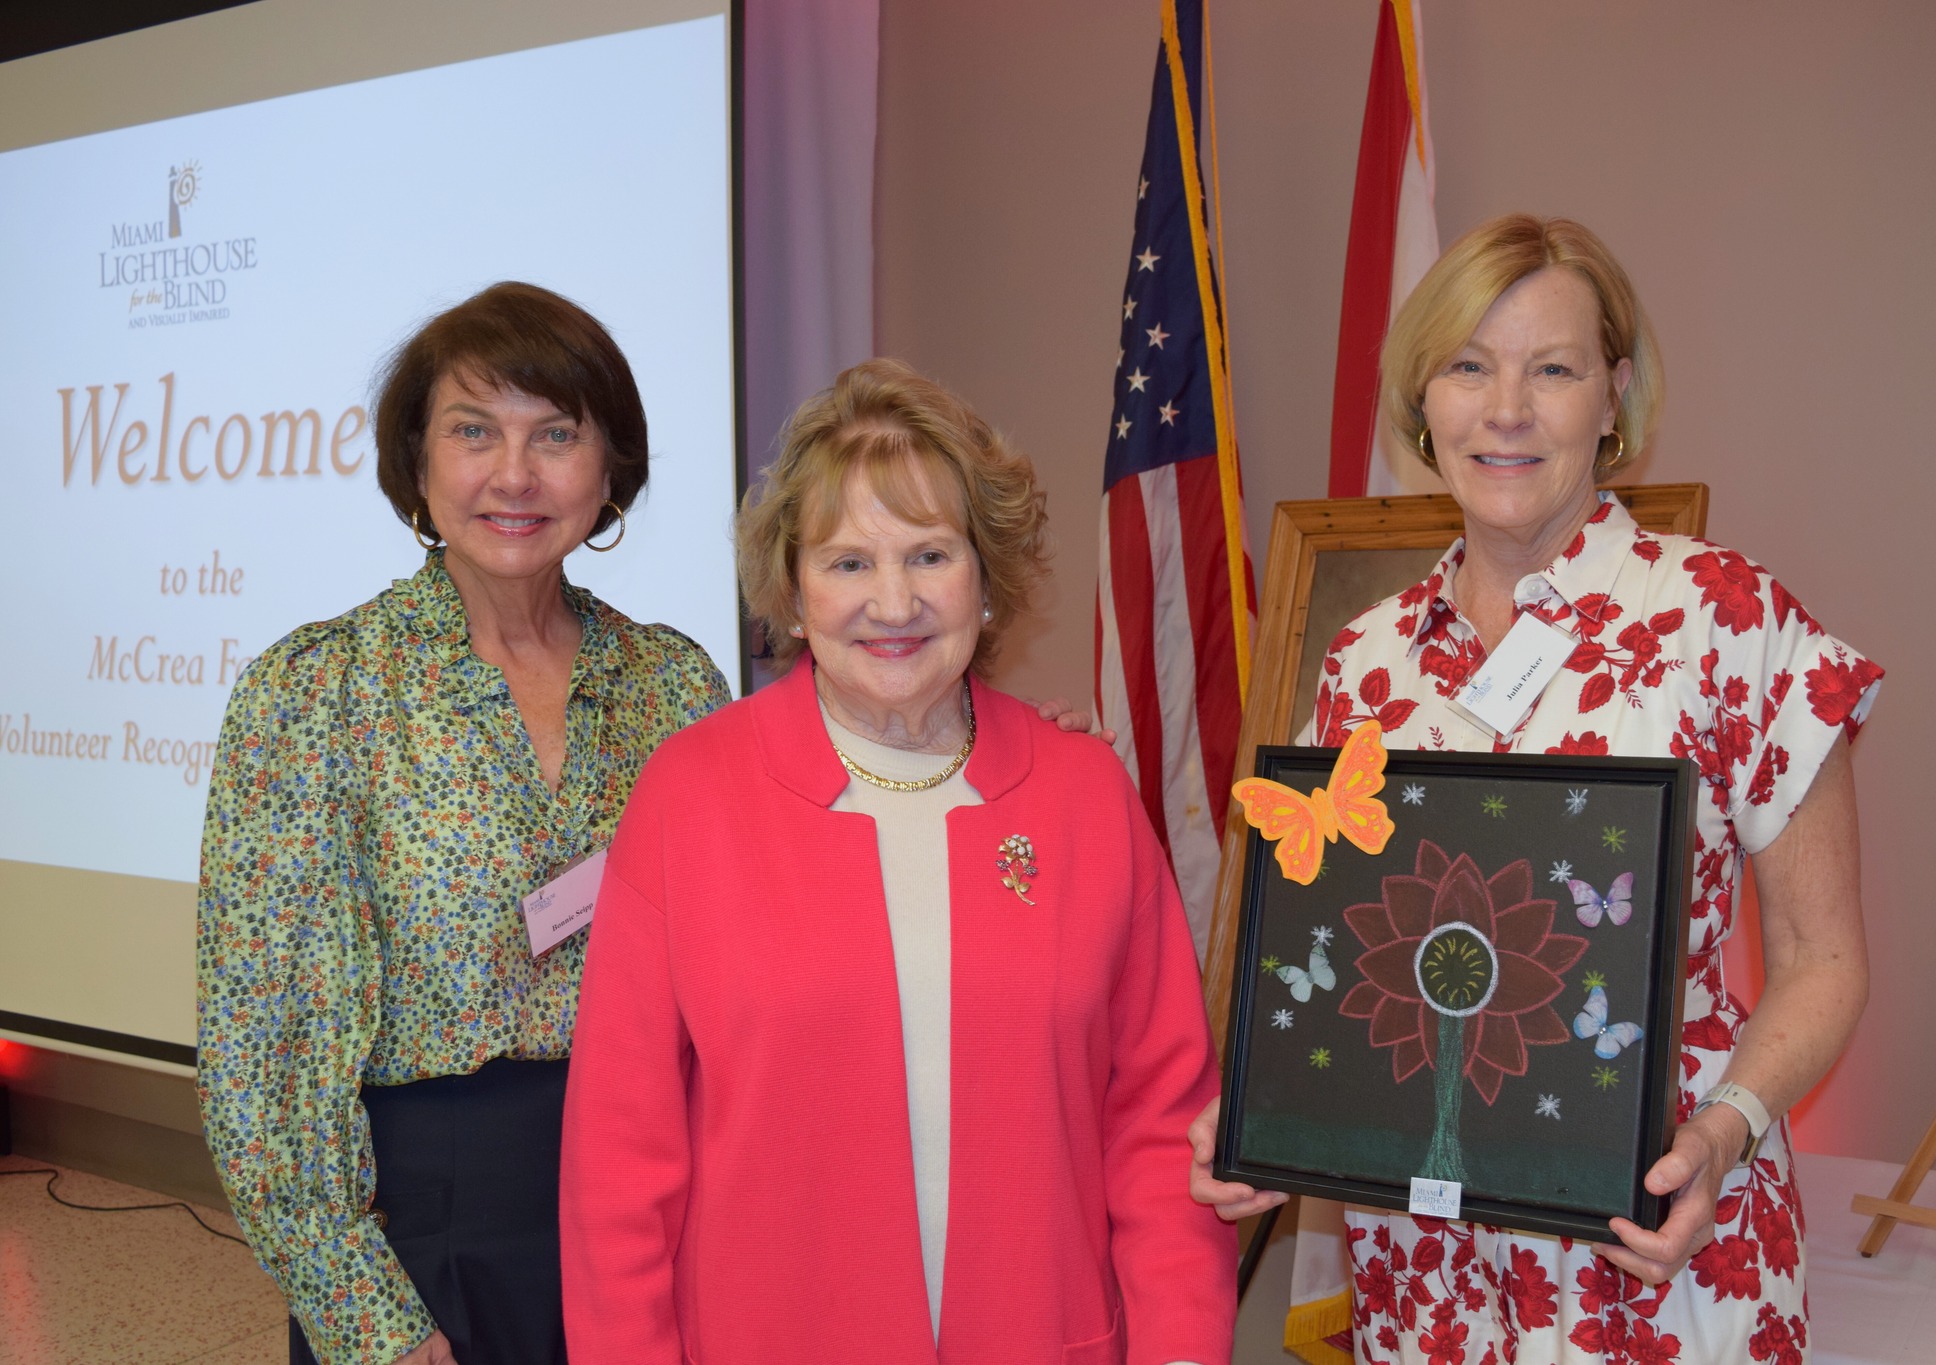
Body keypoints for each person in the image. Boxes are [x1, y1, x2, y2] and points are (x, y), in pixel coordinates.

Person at [1189, 215, 1879, 1363]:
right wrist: (1271, 1113)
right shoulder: (1363, 659)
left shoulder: (1725, 619)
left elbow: (1826, 962)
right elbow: (1331, 956)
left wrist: (1719, 1136)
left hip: (1658, 1244)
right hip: (1426, 1287)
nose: (1503, 409)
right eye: (1467, 365)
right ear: (1423, 398)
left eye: (1549, 369)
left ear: (1611, 397)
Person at [558, 358, 1237, 1363]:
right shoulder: (689, 799)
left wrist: (1178, 1348)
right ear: (791, 594)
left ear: (985, 580)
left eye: (929, 556)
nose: (892, 601)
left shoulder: (1083, 796)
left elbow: (1157, 1125)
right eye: (845, 563)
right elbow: (620, 1161)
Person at [196, 282, 731, 1365]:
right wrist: (371, 1322)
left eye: (557, 434)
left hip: (651, 1215)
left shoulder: (675, 688)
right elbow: (264, 1055)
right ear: (418, 460)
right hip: (425, 1233)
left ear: (609, 466)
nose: (515, 475)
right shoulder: (319, 692)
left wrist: (983, 737)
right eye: (474, 430)